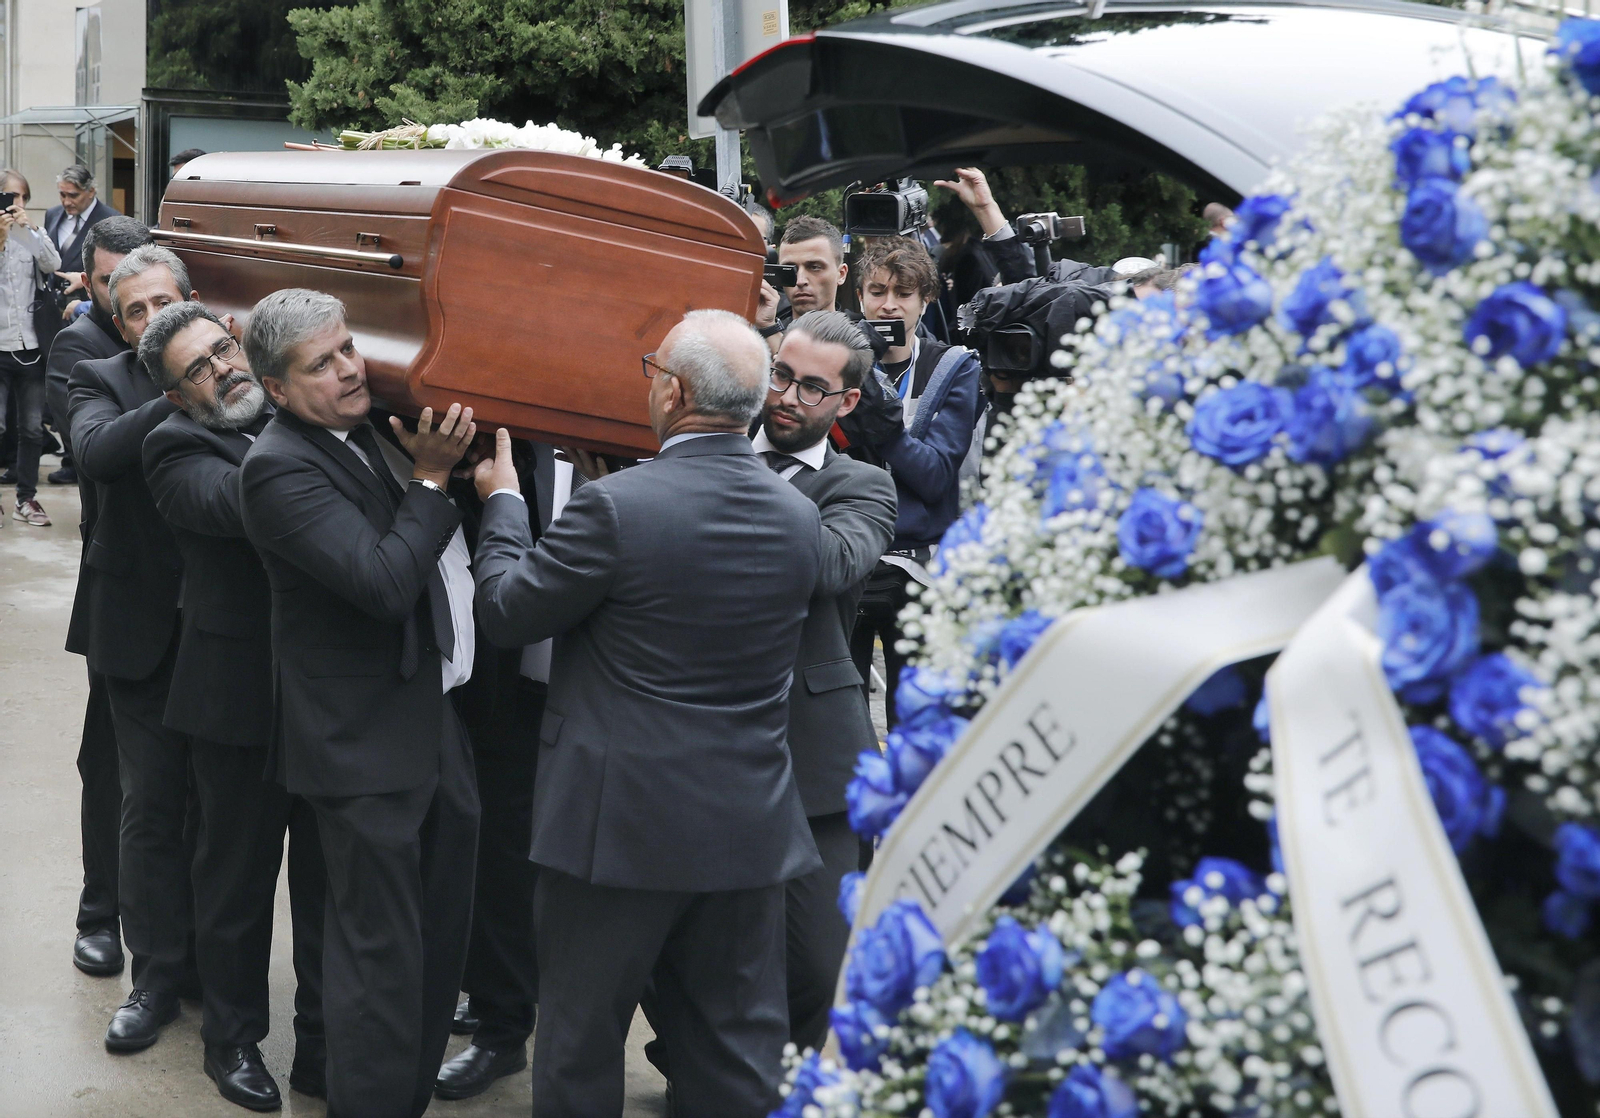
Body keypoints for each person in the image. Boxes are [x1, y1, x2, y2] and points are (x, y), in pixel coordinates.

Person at [472, 308, 823, 1117]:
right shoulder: (796, 513)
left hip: (615, 830)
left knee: (580, 1043)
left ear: (672, 391)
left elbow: (507, 612)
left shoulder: (616, 511)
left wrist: (502, 507)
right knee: (735, 1049)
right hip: (747, 825)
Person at [239, 289, 480, 1118]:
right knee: (381, 965)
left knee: (436, 949)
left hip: (427, 720)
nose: (348, 370)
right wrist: (432, 477)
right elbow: (382, 584)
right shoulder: (277, 466)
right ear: (275, 388)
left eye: (347, 348)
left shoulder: (370, 424)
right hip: (360, 750)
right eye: (321, 364)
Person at [139, 301, 328, 1110]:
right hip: (233, 700)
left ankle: (322, 1041)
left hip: (326, 699)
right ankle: (232, 1039)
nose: (223, 369)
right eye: (200, 370)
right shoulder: (175, 444)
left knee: (328, 883)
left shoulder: (301, 409)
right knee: (236, 882)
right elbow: (253, 507)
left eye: (224, 349)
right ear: (180, 397)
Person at [754, 311, 896, 1048]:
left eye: (811, 388)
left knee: (814, 962)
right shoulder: (696, 451)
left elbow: (833, 566)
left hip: (813, 755)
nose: (785, 397)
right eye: (779, 374)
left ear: (846, 404)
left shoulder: (862, 485)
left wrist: (724, 473)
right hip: (698, 745)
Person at [67, 245, 196, 1051]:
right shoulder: (103, 379)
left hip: (223, 632)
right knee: (147, 807)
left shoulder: (241, 374)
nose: (150, 321)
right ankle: (156, 979)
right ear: (119, 324)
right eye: (135, 312)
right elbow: (96, 452)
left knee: (220, 816)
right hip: (134, 628)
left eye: (162, 304)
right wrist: (182, 390)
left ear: (194, 300)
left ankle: (210, 967)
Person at [49, 214, 152, 979]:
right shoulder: (82, 350)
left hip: (198, 591)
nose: (128, 302)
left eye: (142, 287)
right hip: (122, 582)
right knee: (110, 757)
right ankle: (99, 912)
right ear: (91, 281)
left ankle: (162, 926)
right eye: (114, 286)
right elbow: (94, 454)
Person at [436, 438, 553, 1102]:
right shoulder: (502, 443)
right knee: (498, 850)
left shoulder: (631, 450)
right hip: (503, 684)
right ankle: (500, 1018)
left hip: (605, 690)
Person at [846, 235, 983, 728]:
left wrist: (881, 419)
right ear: (859, 295)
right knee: (841, 721)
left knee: (913, 722)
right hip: (848, 558)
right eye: (878, 291)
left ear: (925, 300)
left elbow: (933, 475)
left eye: (904, 294)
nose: (889, 305)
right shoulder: (836, 360)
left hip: (920, 569)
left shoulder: (952, 368)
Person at [0, 169, 62, 527]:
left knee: (32, 429)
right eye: (9, 197)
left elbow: (52, 265)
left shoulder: (31, 234)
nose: (15, 203)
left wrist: (29, 231)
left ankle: (27, 498)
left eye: (20, 197)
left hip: (31, 346)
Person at [47, 164, 116, 278]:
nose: (67, 202)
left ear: (91, 192)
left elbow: (116, 266)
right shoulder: (52, 215)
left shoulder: (111, 220)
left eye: (73, 196)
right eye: (62, 195)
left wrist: (85, 280)